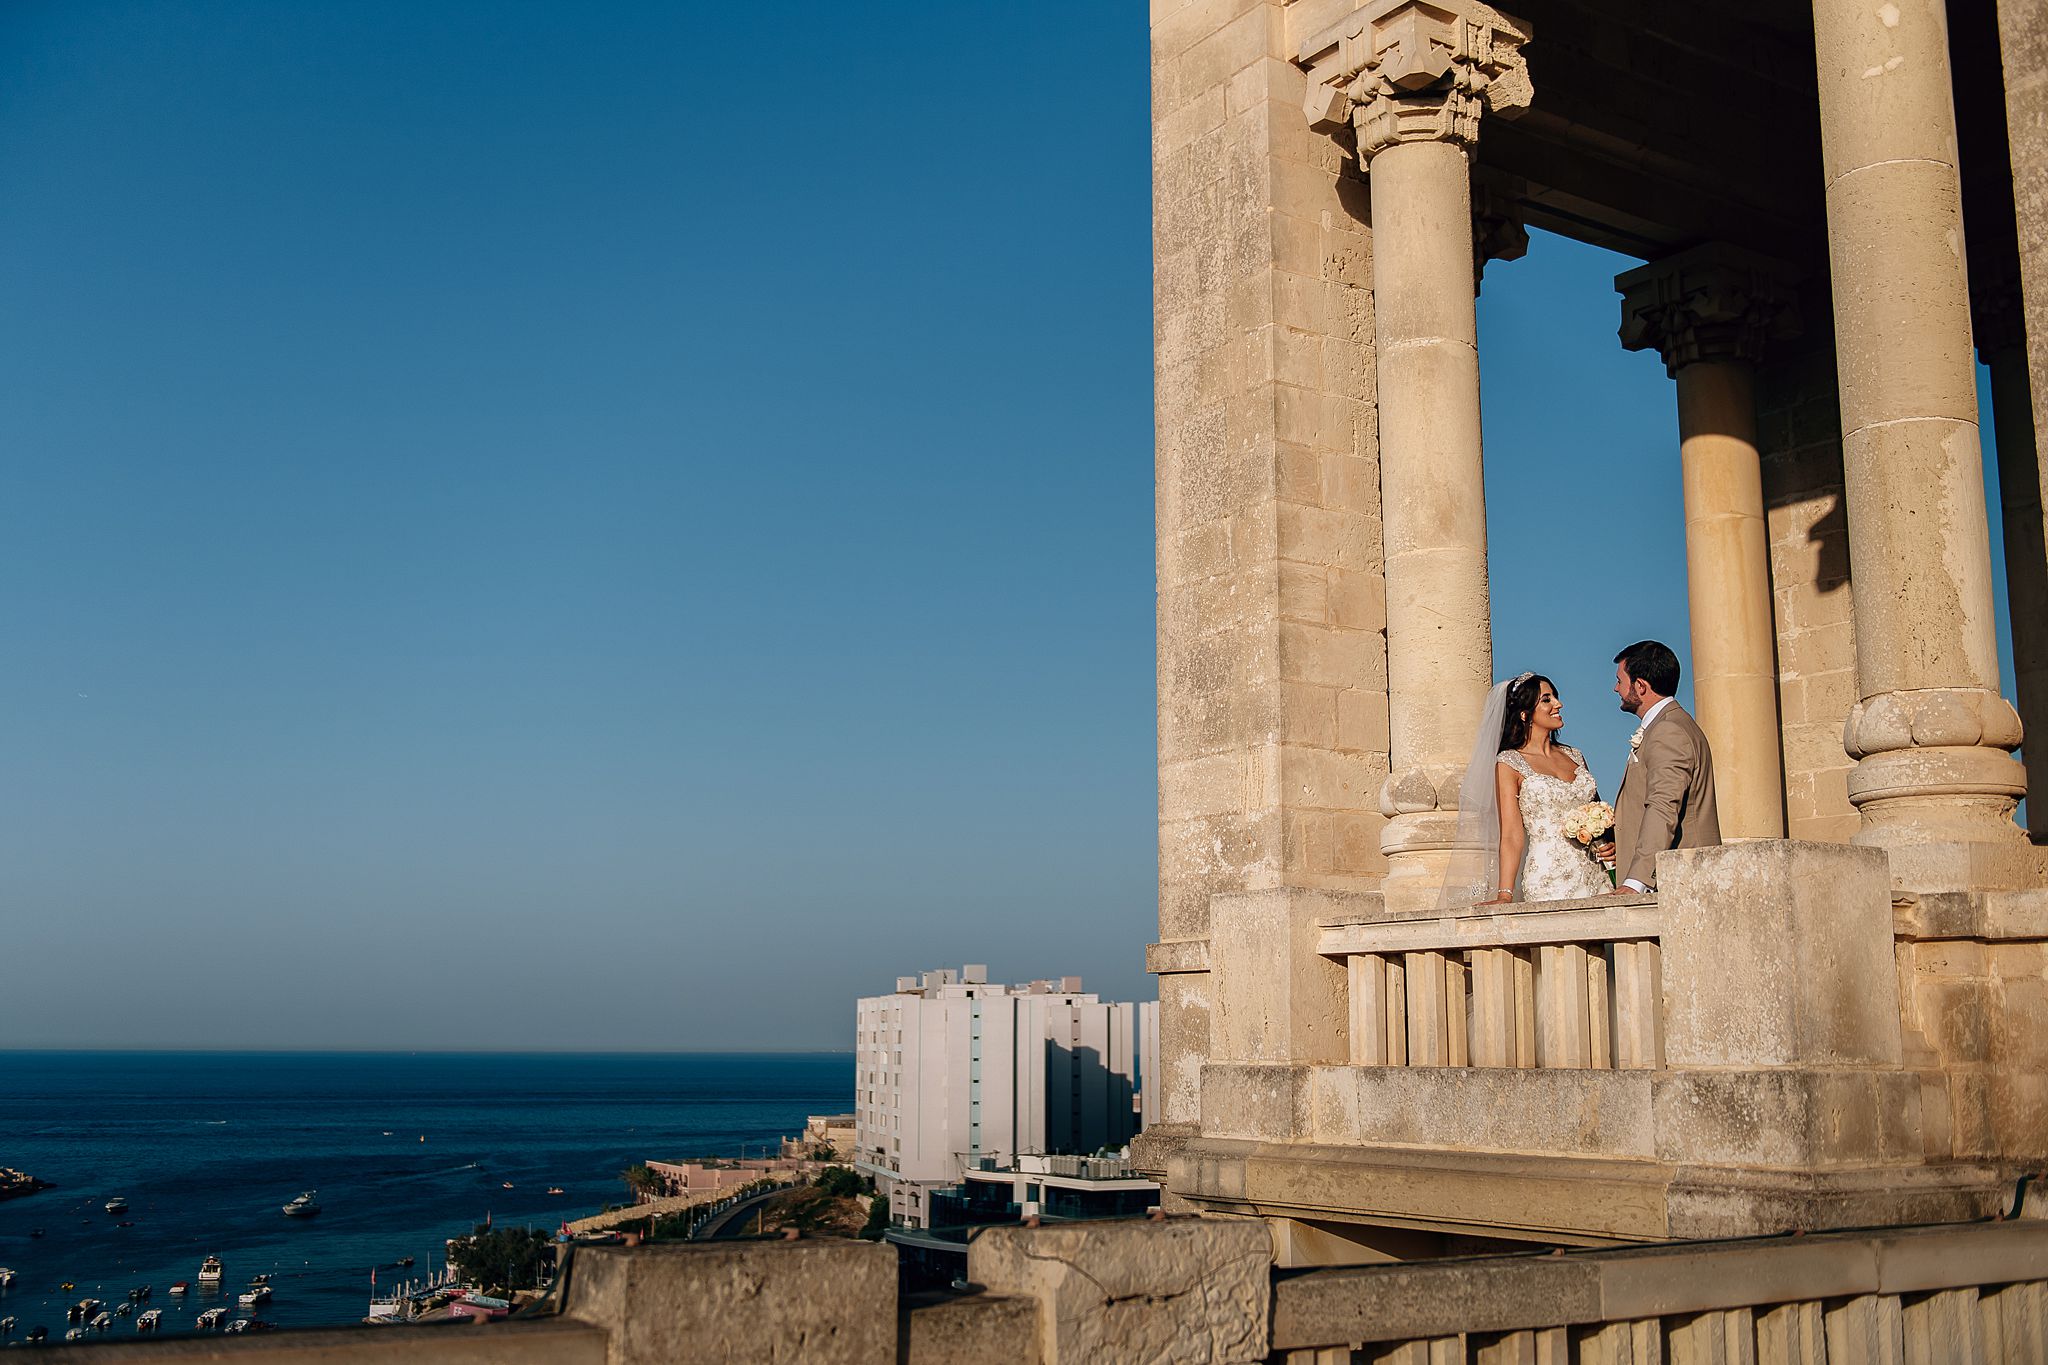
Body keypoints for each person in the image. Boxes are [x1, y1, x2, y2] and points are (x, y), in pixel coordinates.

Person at [1442, 672, 1613, 906]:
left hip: (1595, 873)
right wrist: (1505, 894)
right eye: (1547, 699)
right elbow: (1512, 834)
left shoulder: (1576, 756)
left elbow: (1598, 813)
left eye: (1556, 697)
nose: (1558, 704)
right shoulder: (1509, 763)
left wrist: (1609, 843)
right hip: (1549, 877)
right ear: (1525, 714)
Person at [1604, 640, 1720, 893]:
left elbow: (1663, 805)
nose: (1616, 688)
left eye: (1620, 681)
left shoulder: (1668, 730)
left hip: (1678, 885)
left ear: (1641, 686)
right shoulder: (1670, 725)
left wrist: (1637, 881)